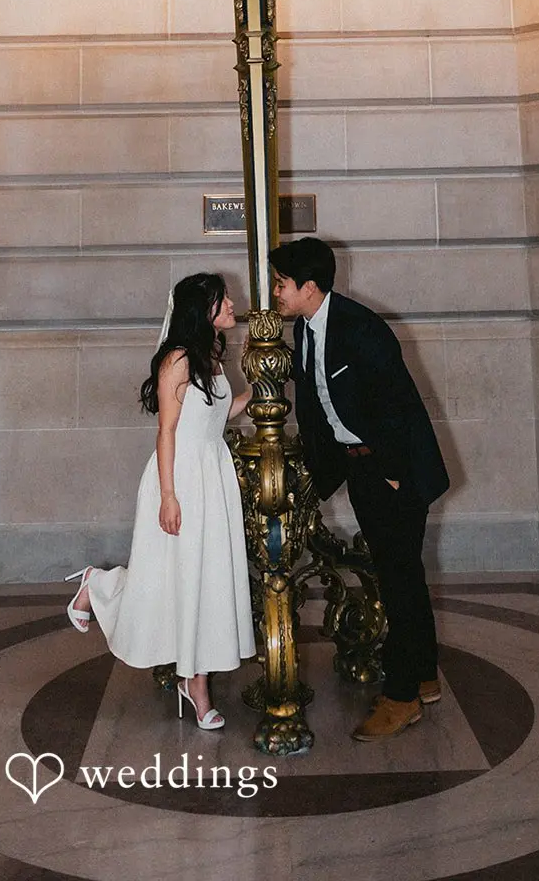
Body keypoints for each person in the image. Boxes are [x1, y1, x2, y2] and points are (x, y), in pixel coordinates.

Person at [269, 236, 449, 742]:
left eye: (282, 284)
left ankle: (402, 697)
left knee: (397, 579)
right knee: (402, 572)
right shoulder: (305, 328)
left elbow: (395, 404)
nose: (275, 292)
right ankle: (424, 673)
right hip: (361, 468)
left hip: (396, 469)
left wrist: (390, 474)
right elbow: (317, 406)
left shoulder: (362, 327)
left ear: (309, 287)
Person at [64, 273, 256, 729]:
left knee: (205, 579)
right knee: (166, 581)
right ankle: (100, 586)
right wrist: (169, 496)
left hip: (212, 474)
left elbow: (216, 416)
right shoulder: (177, 360)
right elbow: (167, 431)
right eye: (222, 299)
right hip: (181, 478)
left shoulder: (211, 355)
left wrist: (253, 390)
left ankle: (195, 680)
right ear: (201, 310)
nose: (232, 304)